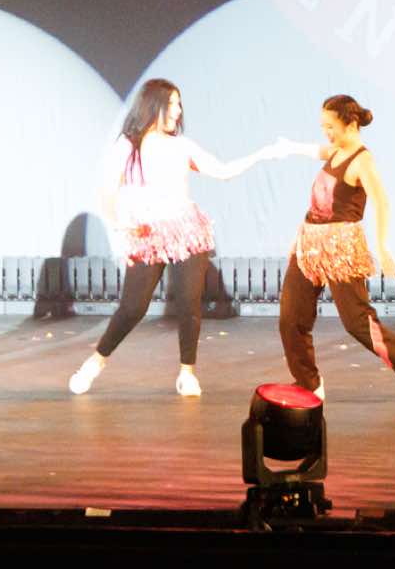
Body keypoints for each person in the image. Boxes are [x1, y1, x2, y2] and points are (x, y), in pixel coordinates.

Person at [70, 78, 298, 398]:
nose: (178, 110)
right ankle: (96, 362)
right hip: (148, 235)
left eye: (179, 104)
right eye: (172, 103)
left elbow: (223, 171)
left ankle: (187, 372)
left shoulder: (182, 146)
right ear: (154, 104)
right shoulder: (128, 146)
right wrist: (122, 224)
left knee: (189, 302)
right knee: (132, 308)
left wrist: (262, 154)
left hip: (187, 232)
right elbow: (108, 193)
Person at [278, 94, 395, 404]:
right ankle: (309, 383)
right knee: (290, 318)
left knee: (357, 322)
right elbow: (314, 153)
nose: (326, 133)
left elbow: (382, 202)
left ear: (350, 125)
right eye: (323, 127)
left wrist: (383, 247)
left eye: (331, 127)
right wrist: (288, 147)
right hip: (309, 245)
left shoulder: (362, 160)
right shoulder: (335, 151)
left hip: (341, 249)